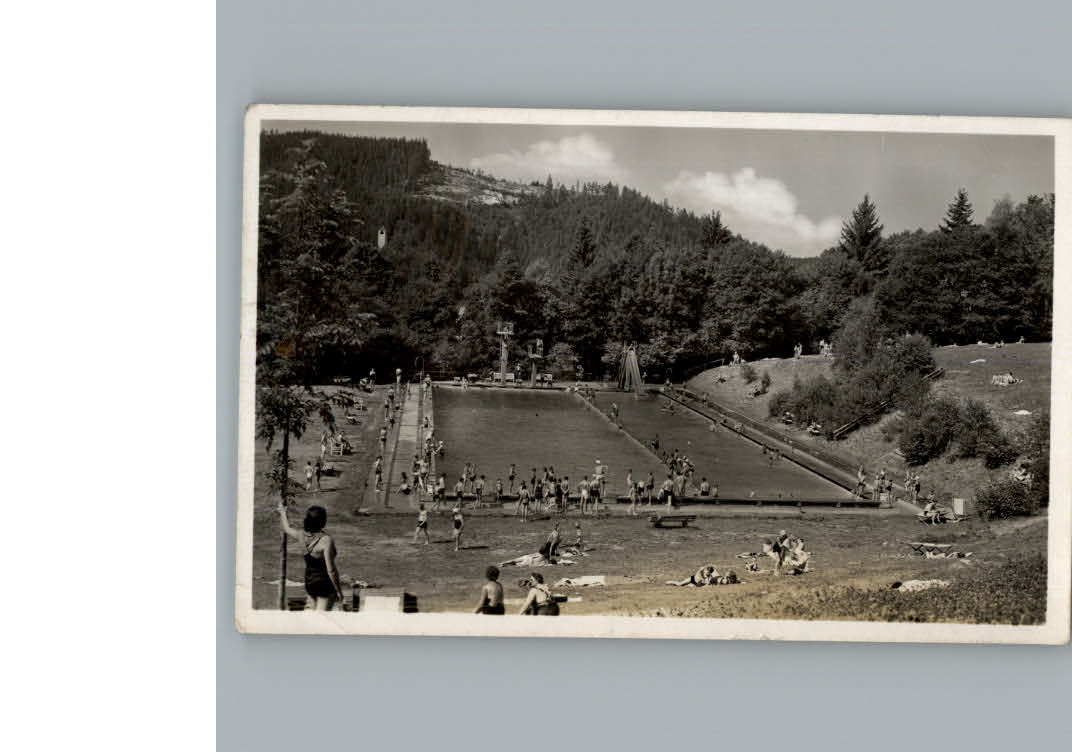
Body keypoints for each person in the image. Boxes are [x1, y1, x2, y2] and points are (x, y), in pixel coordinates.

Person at [278, 503, 345, 610]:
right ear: (322, 521)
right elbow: (331, 570)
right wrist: (338, 591)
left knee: (312, 616)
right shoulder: (326, 540)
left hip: (310, 584)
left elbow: (287, 528)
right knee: (321, 619)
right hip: (324, 585)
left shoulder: (301, 535)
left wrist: (282, 512)